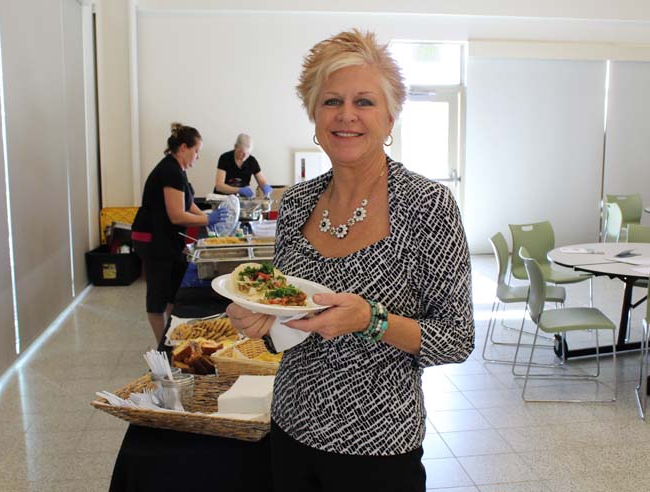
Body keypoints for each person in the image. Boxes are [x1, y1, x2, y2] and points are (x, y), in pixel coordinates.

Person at [227, 30, 473, 492]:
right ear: (314, 116)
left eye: (364, 101)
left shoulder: (428, 206)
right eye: (331, 101)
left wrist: (370, 319)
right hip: (292, 428)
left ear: (390, 115)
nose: (346, 115)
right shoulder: (297, 202)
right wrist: (262, 322)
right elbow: (287, 327)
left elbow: (457, 339)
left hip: (379, 446)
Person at [132, 123, 228, 342]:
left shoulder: (178, 171)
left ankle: (174, 337)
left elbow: (189, 204)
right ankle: (163, 347)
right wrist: (207, 219)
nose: (197, 157)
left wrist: (209, 217)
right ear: (184, 147)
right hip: (154, 241)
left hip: (168, 240)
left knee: (173, 292)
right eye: (197, 152)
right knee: (157, 297)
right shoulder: (169, 171)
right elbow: (176, 214)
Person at [214, 133, 273, 198]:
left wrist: (265, 187)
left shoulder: (252, 161)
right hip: (222, 198)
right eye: (242, 153)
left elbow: (261, 181)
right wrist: (239, 190)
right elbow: (219, 186)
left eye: (248, 153)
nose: (244, 157)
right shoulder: (225, 158)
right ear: (235, 147)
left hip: (241, 200)